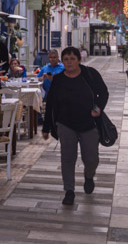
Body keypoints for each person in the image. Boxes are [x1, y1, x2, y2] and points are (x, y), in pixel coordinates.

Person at [42, 47, 108, 206]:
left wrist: (98, 108)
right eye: (66, 59)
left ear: (79, 60)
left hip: (89, 123)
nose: (69, 62)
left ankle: (89, 176)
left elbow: (103, 93)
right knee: (68, 158)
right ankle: (69, 191)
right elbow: (50, 103)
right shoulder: (58, 80)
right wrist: (46, 127)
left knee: (91, 158)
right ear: (62, 61)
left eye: (72, 58)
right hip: (65, 124)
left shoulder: (90, 74)